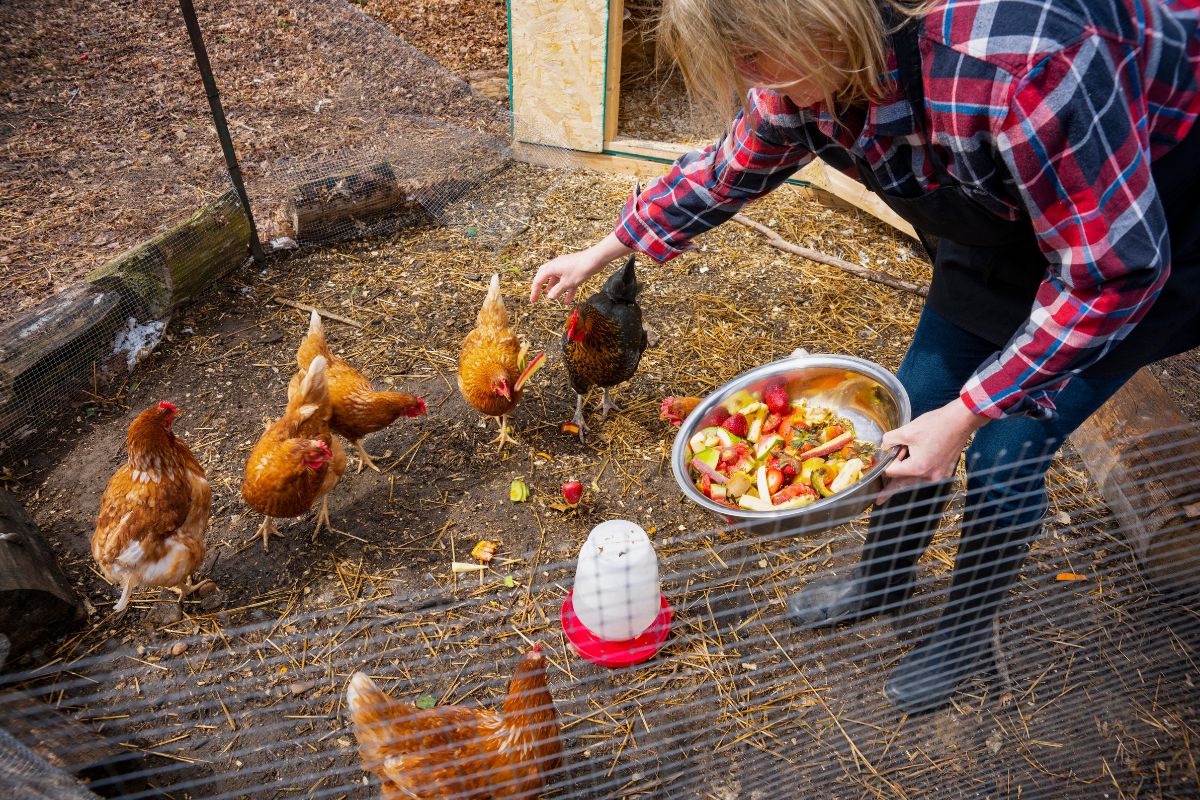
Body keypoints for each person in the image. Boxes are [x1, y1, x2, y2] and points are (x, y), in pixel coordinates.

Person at [529, 0, 1200, 712]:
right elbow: (726, 170)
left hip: (1135, 220)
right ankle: (884, 580)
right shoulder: (807, 78)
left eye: (753, 58)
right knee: (913, 401)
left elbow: (1112, 270)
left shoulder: (1020, 64)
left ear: (816, 26)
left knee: (1007, 451)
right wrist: (604, 250)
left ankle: (961, 636)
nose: (747, 80)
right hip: (1005, 224)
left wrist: (972, 411)